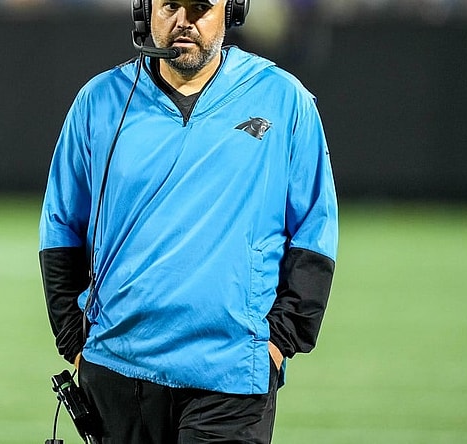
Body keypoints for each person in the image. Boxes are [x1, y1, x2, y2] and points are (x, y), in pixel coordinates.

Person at [38, 0, 338, 442]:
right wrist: (74, 342)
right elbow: (61, 228)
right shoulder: (98, 103)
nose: (184, 21)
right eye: (170, 6)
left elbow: (314, 230)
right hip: (118, 372)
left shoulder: (283, 99)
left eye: (201, 7)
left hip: (231, 376)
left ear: (231, 11)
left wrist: (280, 341)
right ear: (145, 10)